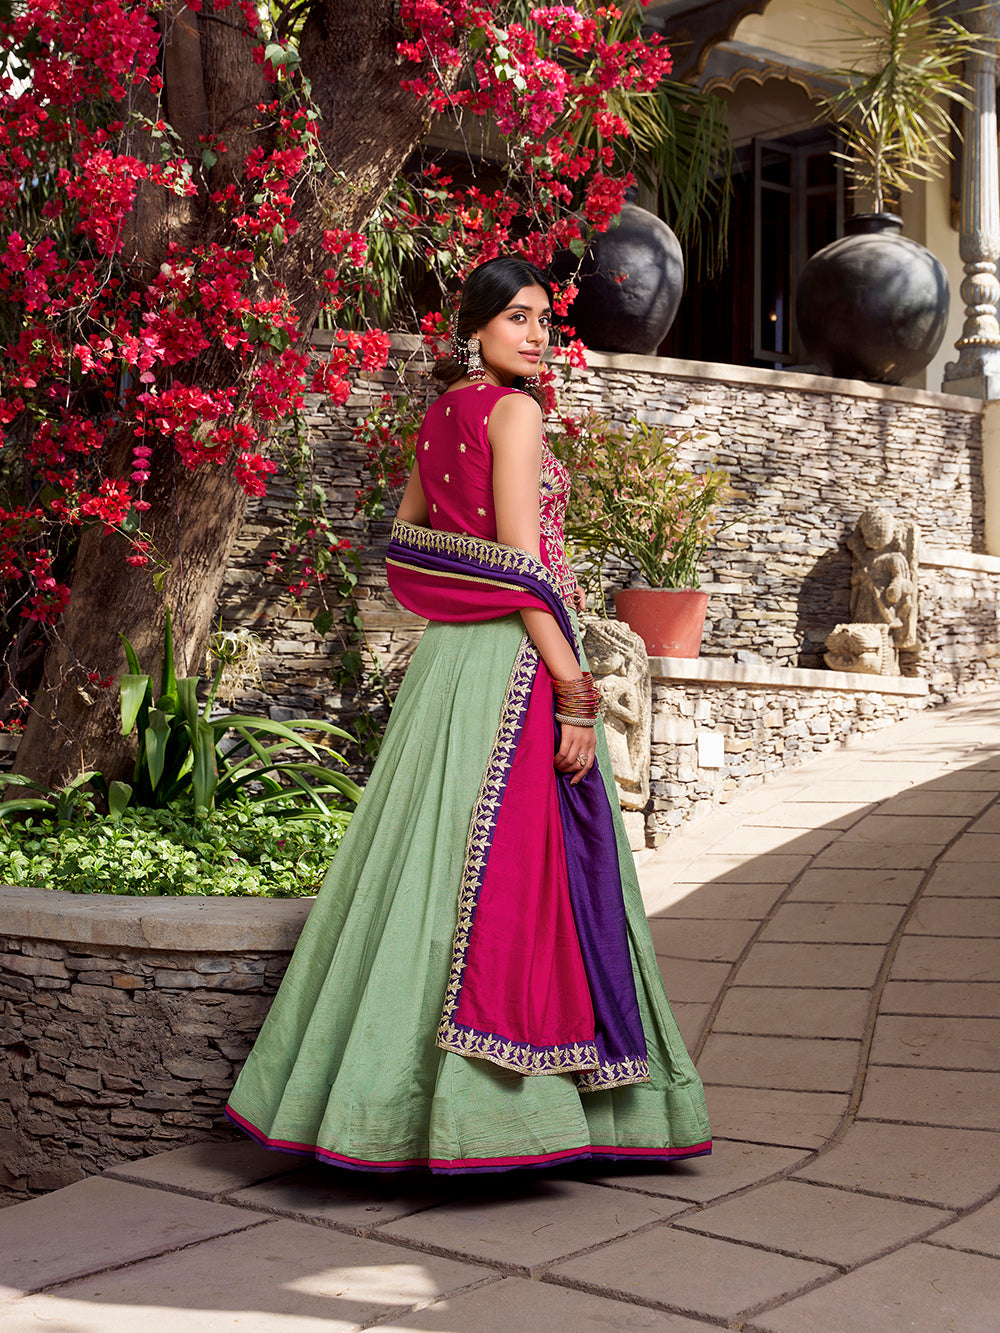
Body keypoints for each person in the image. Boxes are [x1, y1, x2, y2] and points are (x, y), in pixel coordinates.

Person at [225, 256, 711, 1173]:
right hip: (519, 662)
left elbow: (409, 542)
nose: (536, 335)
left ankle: (367, 1105)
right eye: (517, 317)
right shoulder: (515, 412)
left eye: (543, 320)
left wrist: (465, 591)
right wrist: (574, 689)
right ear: (476, 326)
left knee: (427, 862)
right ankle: (503, 1116)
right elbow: (524, 564)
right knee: (519, 870)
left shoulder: (445, 409)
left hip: (449, 664)